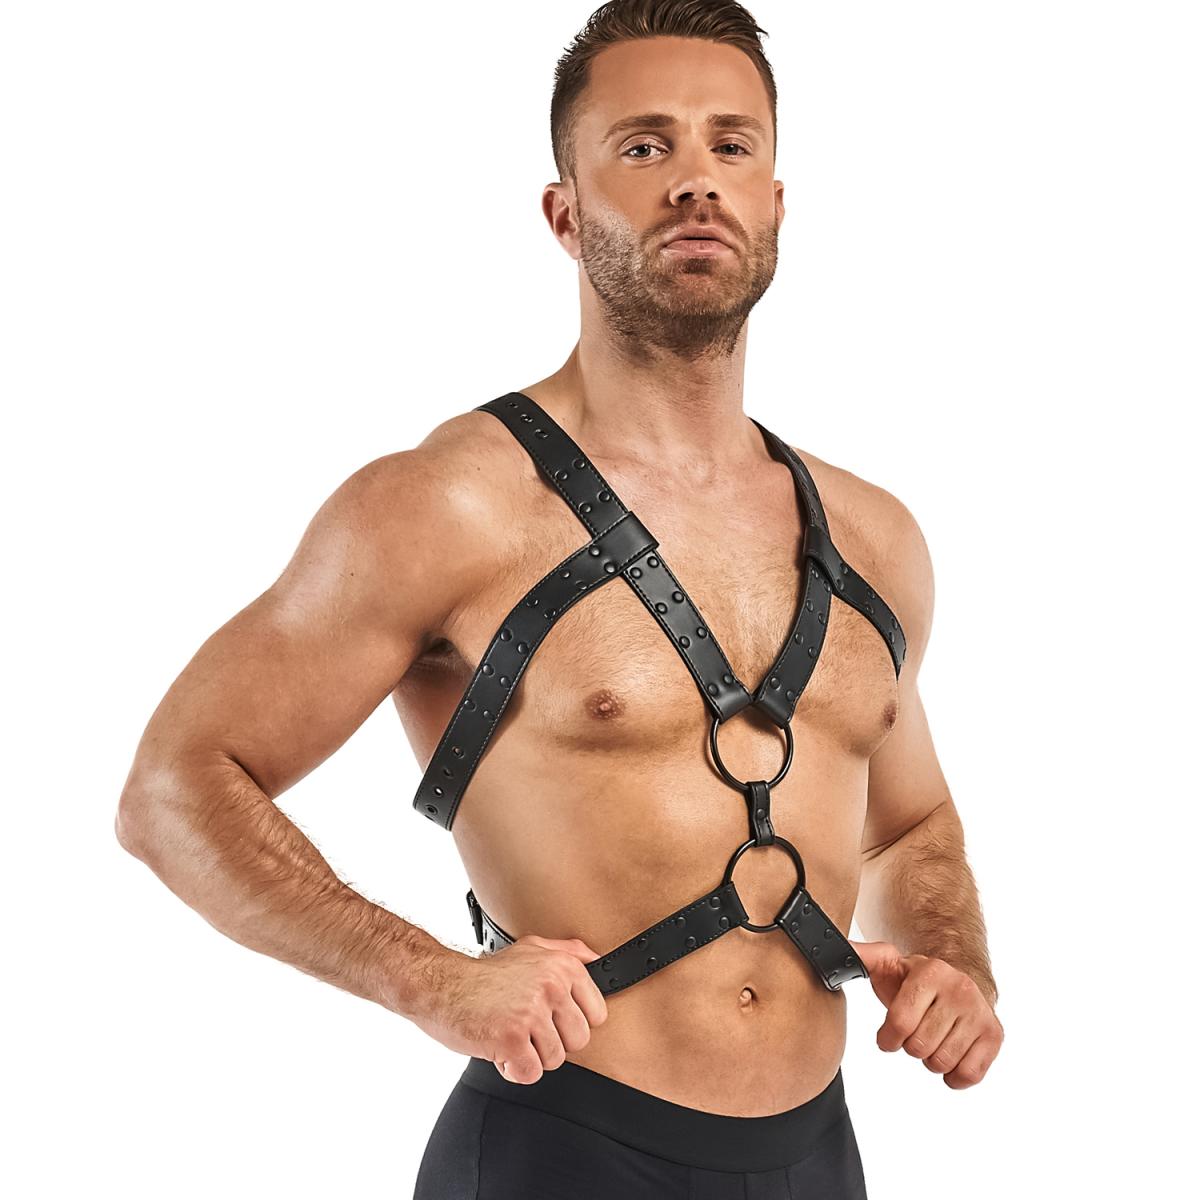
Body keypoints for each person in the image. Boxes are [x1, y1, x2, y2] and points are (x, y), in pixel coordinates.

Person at [115, 2, 1003, 1195]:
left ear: (776, 204)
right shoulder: (451, 506)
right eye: (644, 146)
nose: (696, 180)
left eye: (731, 145)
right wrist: (430, 979)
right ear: (565, 212)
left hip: (817, 1155)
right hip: (561, 1148)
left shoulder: (872, 538)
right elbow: (174, 788)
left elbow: (910, 826)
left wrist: (954, 960)